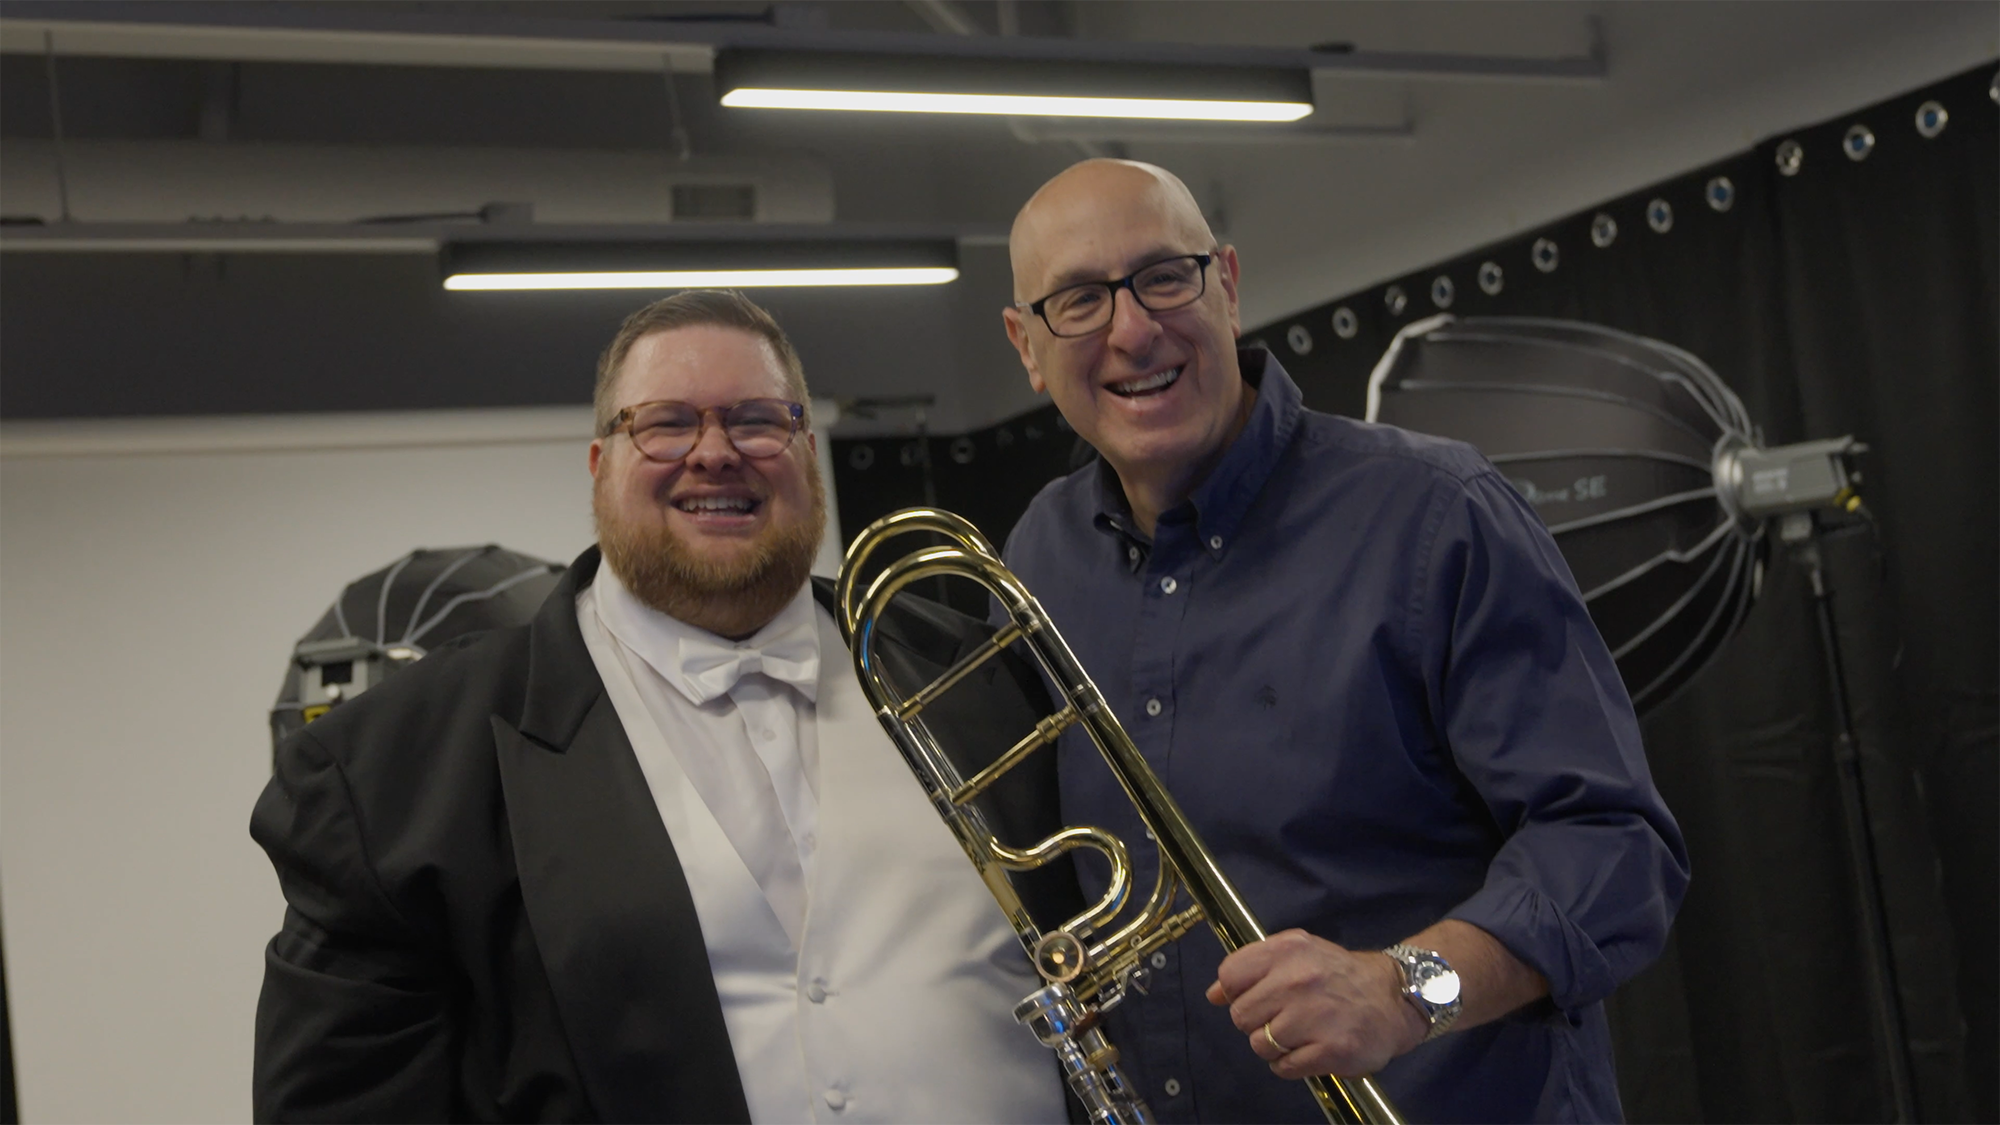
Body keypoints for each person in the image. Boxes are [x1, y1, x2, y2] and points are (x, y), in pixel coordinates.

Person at [251, 290, 1076, 1124]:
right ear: (599, 462)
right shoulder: (400, 765)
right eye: (665, 423)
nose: (715, 453)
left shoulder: (979, 670)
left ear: (807, 452)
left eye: (756, 419)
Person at [998, 159, 1690, 1124]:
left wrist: (1405, 990)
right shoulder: (1037, 555)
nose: (1131, 328)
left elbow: (1615, 844)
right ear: (1026, 346)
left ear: (1227, 285)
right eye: (1077, 299)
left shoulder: (1437, 514)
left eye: (1164, 276)